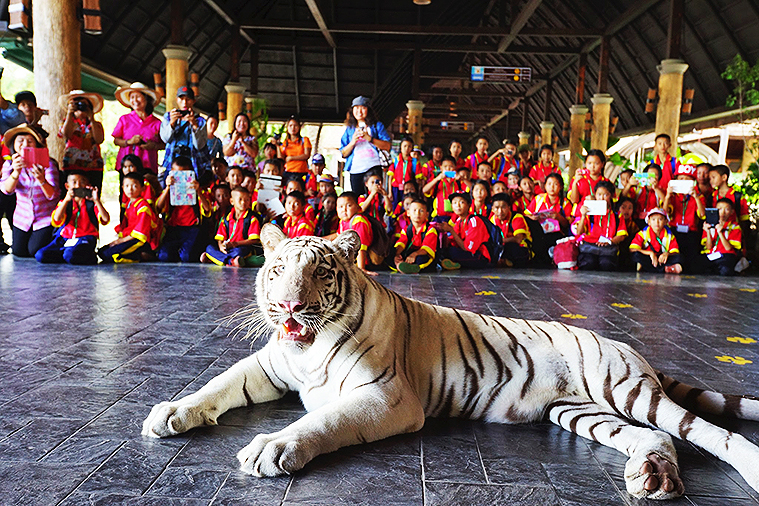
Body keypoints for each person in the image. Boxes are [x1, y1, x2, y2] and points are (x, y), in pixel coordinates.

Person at [0, 124, 59, 257]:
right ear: (14, 145)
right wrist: (16, 172)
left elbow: (53, 195)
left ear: (37, 144)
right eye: (20, 141)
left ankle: (55, 240)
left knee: (34, 250)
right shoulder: (9, 165)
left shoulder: (48, 164)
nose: (25, 144)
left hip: (45, 217)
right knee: (19, 252)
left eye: (30, 141)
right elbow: (6, 190)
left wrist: (41, 179)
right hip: (22, 217)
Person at [36, 170, 109, 265]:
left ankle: (82, 255)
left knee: (70, 255)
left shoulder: (92, 204)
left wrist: (96, 200)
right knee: (40, 255)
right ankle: (68, 255)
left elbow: (105, 219)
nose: (78, 185)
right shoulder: (65, 202)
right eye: (74, 182)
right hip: (65, 238)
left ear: (87, 185)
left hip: (85, 239)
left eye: (82, 182)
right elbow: (57, 219)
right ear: (67, 186)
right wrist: (66, 200)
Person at [156, 156, 212, 262]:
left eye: (184, 174)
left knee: (187, 257)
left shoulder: (199, 190)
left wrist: (198, 191)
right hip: (173, 228)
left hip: (192, 228)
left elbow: (207, 209)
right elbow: (158, 208)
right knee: (164, 256)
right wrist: (167, 187)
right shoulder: (168, 191)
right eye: (176, 174)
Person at [98, 173, 159, 263]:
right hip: (130, 238)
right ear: (123, 188)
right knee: (102, 251)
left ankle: (141, 255)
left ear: (143, 188)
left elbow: (141, 232)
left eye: (134, 186)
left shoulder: (143, 206)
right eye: (126, 186)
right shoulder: (129, 204)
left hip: (140, 241)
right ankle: (140, 254)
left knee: (110, 255)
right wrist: (119, 239)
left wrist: (120, 241)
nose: (130, 189)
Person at [340, 96, 391, 194]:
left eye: (363, 108)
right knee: (358, 199)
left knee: (375, 196)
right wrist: (353, 142)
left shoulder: (377, 126)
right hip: (355, 170)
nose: (359, 111)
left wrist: (370, 139)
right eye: (356, 108)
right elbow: (343, 153)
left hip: (374, 167)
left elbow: (387, 146)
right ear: (352, 110)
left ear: (368, 110)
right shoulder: (350, 129)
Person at [201, 186, 263, 267]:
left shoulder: (251, 218)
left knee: (239, 252)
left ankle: (216, 259)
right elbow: (220, 238)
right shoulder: (226, 219)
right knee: (209, 248)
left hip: (242, 248)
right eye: (240, 199)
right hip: (228, 248)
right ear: (232, 201)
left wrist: (235, 244)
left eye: (247, 200)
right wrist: (221, 247)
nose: (243, 202)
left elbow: (254, 240)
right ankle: (231, 261)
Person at [160, 86, 210, 185]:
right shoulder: (169, 116)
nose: (185, 103)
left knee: (191, 190)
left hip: (193, 162)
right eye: (181, 99)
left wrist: (194, 125)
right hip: (172, 161)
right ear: (176, 100)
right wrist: (172, 123)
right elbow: (165, 139)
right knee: (172, 189)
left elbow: (199, 145)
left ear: (193, 101)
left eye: (188, 99)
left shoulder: (200, 121)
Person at [574, 180, 628, 271]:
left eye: (605, 195)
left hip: (608, 248)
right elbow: (579, 232)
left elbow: (621, 235)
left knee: (606, 264)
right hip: (590, 246)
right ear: (595, 195)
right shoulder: (589, 212)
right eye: (599, 195)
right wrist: (583, 216)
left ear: (611, 195)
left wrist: (609, 241)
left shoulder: (616, 214)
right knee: (588, 263)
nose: (602, 198)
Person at [112, 82, 163, 175]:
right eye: (132, 97)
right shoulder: (124, 119)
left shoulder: (157, 122)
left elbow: (164, 144)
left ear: (147, 99)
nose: (135, 100)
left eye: (138, 96)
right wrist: (129, 142)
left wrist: (154, 146)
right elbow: (116, 141)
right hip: (127, 167)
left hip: (148, 166)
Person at [662, 164, 706, 273]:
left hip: (691, 232)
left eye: (687, 179)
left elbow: (702, 215)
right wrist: (667, 196)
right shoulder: (673, 196)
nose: (683, 181)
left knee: (691, 262)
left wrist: (695, 197)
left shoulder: (699, 196)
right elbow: (665, 213)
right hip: (674, 231)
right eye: (681, 178)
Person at [59, 90, 105, 190]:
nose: (81, 107)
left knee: (92, 195)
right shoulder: (67, 122)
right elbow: (66, 134)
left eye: (84, 105)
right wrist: (69, 114)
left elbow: (99, 140)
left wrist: (91, 118)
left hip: (94, 166)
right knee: (71, 195)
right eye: (77, 104)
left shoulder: (96, 124)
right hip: (72, 165)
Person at [439, 192, 491, 270]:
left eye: (462, 202)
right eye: (455, 203)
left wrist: (451, 230)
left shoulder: (474, 221)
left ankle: (457, 263)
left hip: (480, 257)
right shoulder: (459, 221)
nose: (458, 205)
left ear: (469, 205)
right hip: (467, 253)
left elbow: (467, 248)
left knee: (452, 252)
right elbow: (453, 241)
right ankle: (455, 263)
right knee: (442, 250)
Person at [331, 191, 375, 275]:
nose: (344, 209)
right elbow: (337, 235)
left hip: (366, 261)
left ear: (358, 207)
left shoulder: (359, 221)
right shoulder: (343, 222)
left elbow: (362, 246)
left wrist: (361, 268)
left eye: (349, 205)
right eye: (340, 207)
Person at [629, 207, 682, 274]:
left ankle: (653, 268)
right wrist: (650, 253)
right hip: (649, 259)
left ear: (665, 221)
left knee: (679, 257)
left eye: (660, 219)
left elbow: (675, 251)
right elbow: (632, 249)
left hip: (662, 260)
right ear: (649, 222)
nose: (656, 222)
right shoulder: (643, 233)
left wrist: (666, 254)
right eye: (653, 219)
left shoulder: (669, 235)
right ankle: (665, 268)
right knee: (636, 255)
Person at [392, 197, 438, 274]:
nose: (417, 213)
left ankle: (413, 267)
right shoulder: (406, 229)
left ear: (427, 214)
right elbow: (402, 243)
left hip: (421, 253)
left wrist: (414, 254)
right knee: (391, 253)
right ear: (408, 213)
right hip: (410, 253)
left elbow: (426, 249)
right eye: (414, 210)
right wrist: (397, 255)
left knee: (422, 259)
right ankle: (401, 265)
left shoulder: (430, 230)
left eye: (421, 211)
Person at [700, 198, 742, 276]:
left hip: (725, 255)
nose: (722, 212)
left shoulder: (734, 226)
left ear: (732, 212)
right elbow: (708, 247)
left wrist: (720, 232)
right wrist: (708, 231)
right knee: (698, 265)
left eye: (726, 209)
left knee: (725, 269)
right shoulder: (710, 224)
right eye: (719, 209)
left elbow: (728, 248)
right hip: (711, 254)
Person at [490, 193, 531, 267]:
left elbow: (518, 239)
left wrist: (500, 241)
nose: (500, 211)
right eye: (496, 208)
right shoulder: (493, 219)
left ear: (509, 207)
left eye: (503, 207)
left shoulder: (517, 217)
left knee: (511, 247)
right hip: (502, 248)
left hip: (520, 249)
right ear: (492, 209)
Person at [709, 164, 750, 236]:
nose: (711, 181)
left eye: (713, 177)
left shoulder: (737, 196)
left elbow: (744, 219)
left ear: (724, 177)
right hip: (716, 233)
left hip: (733, 233)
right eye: (710, 178)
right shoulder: (712, 196)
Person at [118, 154, 160, 222]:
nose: (127, 170)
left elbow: (148, 204)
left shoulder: (144, 182)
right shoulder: (125, 182)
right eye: (125, 167)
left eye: (131, 166)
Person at [622, 163, 665, 230]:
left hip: (653, 223)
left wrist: (656, 188)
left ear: (659, 177)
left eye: (655, 175)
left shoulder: (661, 190)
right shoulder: (638, 189)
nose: (652, 177)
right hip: (636, 221)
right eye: (649, 175)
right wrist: (629, 184)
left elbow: (666, 202)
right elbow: (623, 197)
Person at [423, 156, 462, 223]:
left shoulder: (458, 182)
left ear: (455, 168)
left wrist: (462, 179)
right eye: (445, 167)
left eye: (451, 166)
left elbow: (471, 190)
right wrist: (437, 178)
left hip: (456, 217)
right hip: (439, 217)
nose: (448, 169)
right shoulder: (438, 181)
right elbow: (424, 190)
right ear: (441, 168)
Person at [278, 116, 311, 184]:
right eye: (290, 125)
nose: (293, 128)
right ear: (287, 127)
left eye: (295, 125)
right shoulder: (285, 143)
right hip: (288, 172)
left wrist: (291, 158)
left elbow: (306, 155)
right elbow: (281, 158)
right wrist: (277, 145)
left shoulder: (304, 140)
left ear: (299, 127)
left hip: (301, 171)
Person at [387, 136, 417, 205]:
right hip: (396, 188)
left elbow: (417, 178)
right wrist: (390, 192)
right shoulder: (395, 160)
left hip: (409, 189)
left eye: (409, 146)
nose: (407, 148)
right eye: (405, 146)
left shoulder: (414, 161)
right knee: (396, 206)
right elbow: (390, 177)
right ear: (401, 147)